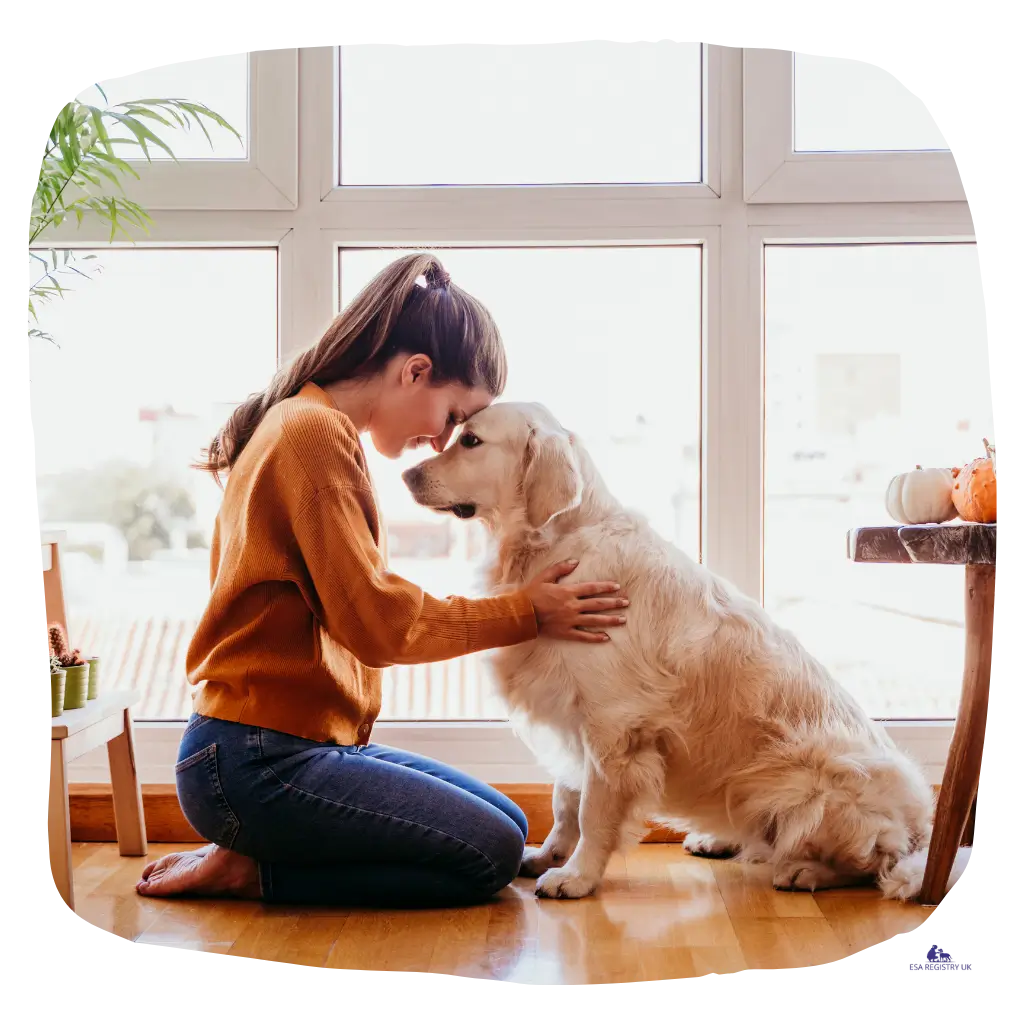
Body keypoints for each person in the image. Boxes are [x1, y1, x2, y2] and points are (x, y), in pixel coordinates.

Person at [136, 253, 629, 908]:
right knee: (489, 855)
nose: (441, 441)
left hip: (286, 749)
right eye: (454, 416)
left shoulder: (310, 423)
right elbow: (377, 624)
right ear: (415, 371)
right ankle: (254, 870)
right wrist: (527, 612)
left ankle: (255, 849)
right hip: (253, 763)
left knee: (510, 827)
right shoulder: (311, 435)